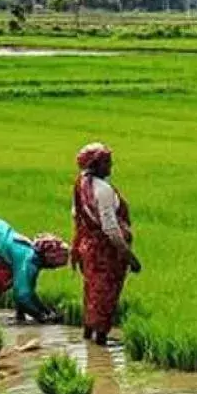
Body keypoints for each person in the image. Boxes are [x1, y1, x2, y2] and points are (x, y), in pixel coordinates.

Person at [72, 143, 141, 346]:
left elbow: (76, 215)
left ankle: (87, 335)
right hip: (106, 251)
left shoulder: (81, 184)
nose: (111, 166)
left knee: (92, 290)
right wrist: (130, 256)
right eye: (107, 162)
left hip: (88, 246)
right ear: (96, 165)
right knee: (106, 294)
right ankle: (100, 341)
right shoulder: (103, 190)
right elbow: (110, 228)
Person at [0, 218, 69, 322]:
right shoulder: (29, 260)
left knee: (16, 278)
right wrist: (42, 317)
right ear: (48, 257)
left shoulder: (31, 256)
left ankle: (19, 317)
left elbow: (28, 290)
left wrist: (45, 311)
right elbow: (23, 296)